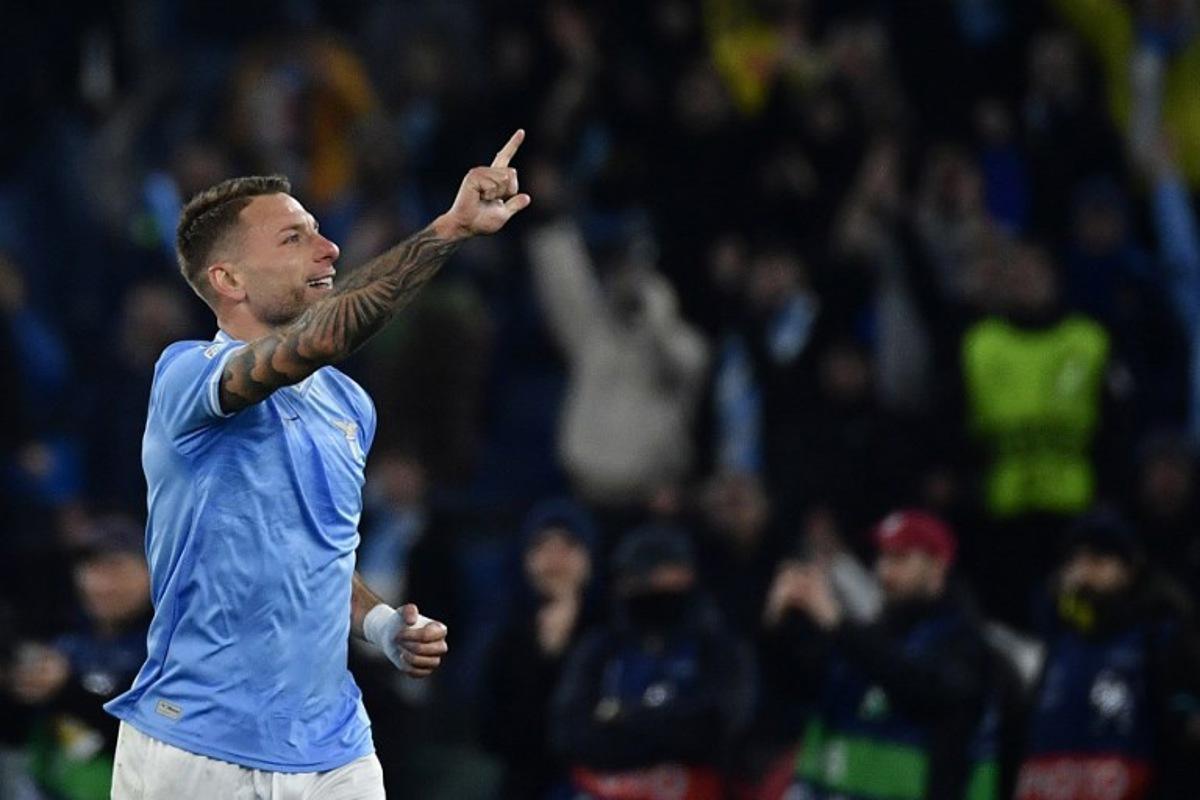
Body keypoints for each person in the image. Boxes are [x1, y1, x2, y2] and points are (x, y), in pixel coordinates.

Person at [103, 129, 533, 799]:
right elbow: (320, 336)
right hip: (197, 747)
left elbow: (318, 554)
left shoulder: (349, 405)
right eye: (294, 238)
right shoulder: (186, 377)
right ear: (228, 279)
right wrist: (448, 229)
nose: (329, 248)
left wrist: (382, 624)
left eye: (318, 231)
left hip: (335, 746)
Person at [762, 510, 1002, 800]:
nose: (884, 571)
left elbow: (920, 688)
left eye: (900, 559)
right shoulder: (870, 635)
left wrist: (836, 622)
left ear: (938, 567)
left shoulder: (963, 643)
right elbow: (796, 691)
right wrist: (779, 625)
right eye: (883, 557)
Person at [550, 525, 754, 800]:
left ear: (687, 574)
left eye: (654, 570)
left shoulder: (717, 647)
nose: (641, 582)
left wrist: (621, 717)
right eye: (632, 574)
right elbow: (571, 733)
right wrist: (667, 721)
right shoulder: (599, 648)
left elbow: (716, 726)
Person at [1015, 512, 1200, 800]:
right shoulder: (1058, 638)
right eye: (1076, 561)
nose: (1083, 573)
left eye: (1098, 562)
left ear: (1128, 570)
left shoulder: (1158, 637)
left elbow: (1180, 732)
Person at [10, 515, 151, 800]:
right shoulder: (68, 642)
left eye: (116, 568)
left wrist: (67, 689)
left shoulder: (164, 650)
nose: (101, 583)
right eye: (91, 567)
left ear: (151, 570)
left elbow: (144, 734)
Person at [480, 497, 598, 800]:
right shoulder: (505, 635)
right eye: (543, 547)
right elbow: (494, 731)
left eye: (568, 547)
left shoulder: (612, 631)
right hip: (525, 783)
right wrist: (544, 656)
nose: (555, 560)